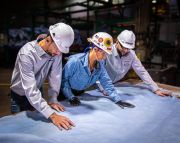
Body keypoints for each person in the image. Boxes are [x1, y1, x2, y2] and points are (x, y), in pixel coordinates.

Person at [10, 22, 75, 130]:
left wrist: (53, 98)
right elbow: (30, 89)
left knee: (36, 125)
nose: (59, 53)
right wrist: (53, 115)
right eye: (58, 48)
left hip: (37, 90)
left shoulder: (56, 52)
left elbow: (56, 76)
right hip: (19, 95)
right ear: (48, 40)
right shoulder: (27, 54)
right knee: (20, 127)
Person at [60, 32, 135, 108]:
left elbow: (106, 81)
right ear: (95, 49)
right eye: (104, 54)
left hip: (79, 94)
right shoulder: (75, 61)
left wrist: (117, 99)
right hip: (64, 93)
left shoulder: (100, 64)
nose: (105, 57)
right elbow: (63, 80)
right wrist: (70, 96)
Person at [98, 30, 170, 97]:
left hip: (116, 84)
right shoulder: (107, 51)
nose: (125, 50)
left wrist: (155, 89)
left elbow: (142, 71)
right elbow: (96, 70)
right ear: (117, 42)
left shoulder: (131, 54)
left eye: (128, 48)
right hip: (98, 85)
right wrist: (103, 87)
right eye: (123, 47)